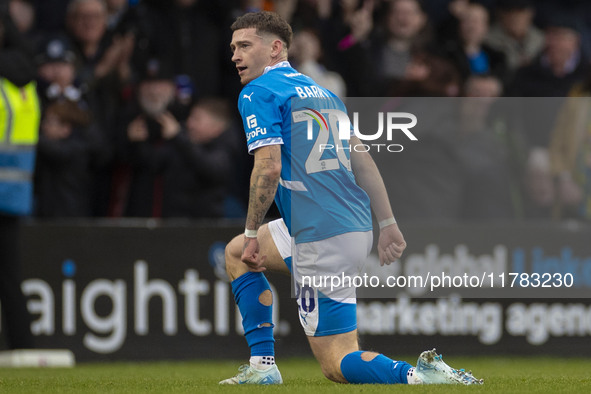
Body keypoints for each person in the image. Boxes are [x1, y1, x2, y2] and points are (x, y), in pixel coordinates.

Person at [221, 11, 483, 386]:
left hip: (319, 235)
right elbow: (363, 162)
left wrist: (251, 231)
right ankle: (263, 368)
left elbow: (268, 168)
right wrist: (388, 224)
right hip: (350, 226)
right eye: (233, 48)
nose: (235, 55)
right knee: (235, 255)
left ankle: (418, 374)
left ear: (276, 48)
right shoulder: (323, 92)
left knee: (336, 362)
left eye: (245, 45)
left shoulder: (259, 92)